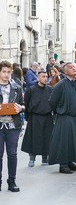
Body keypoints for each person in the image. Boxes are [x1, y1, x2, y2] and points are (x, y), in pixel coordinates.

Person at [48, 62, 76, 174]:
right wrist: (60, 110)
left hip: (75, 117)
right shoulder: (61, 84)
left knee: (73, 141)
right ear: (65, 71)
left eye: (75, 67)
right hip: (65, 117)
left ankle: (69, 161)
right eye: (70, 67)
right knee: (64, 141)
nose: (74, 68)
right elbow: (52, 101)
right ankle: (63, 164)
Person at [0, 60, 24, 192]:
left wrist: (21, 108)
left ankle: (12, 181)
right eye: (4, 72)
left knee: (12, 154)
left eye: (8, 72)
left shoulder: (16, 87)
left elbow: (23, 104)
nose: (6, 74)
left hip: (13, 125)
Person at [21, 70, 54, 167]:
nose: (45, 78)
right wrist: (28, 117)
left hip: (47, 116)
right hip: (35, 117)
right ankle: (32, 158)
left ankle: (45, 157)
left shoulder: (50, 89)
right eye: (43, 76)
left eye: (46, 77)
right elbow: (26, 104)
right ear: (38, 78)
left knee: (47, 138)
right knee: (34, 138)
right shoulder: (31, 90)